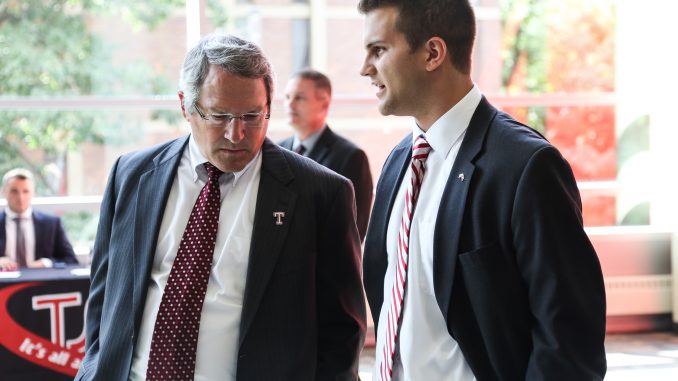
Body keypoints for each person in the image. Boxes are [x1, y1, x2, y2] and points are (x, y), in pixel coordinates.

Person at [76, 34, 365, 381]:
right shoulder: (132, 175)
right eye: (220, 115)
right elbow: (104, 296)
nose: (236, 133)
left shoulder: (320, 192)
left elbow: (342, 334)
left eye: (252, 116)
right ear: (185, 105)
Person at [358, 1, 607, 380]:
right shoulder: (398, 163)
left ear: (432, 53)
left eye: (379, 50)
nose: (365, 69)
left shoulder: (526, 166)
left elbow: (570, 342)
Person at [279, 69, 373, 241]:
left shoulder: (351, 157)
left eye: (299, 98)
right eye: (287, 97)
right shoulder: (276, 152)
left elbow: (355, 229)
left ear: (324, 103)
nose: (290, 105)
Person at [0, 168, 78, 271]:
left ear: (33, 193)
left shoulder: (52, 224)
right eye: (14, 191)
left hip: (42, 285)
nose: (20, 197)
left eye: (26, 191)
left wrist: (47, 263)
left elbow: (71, 260)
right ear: (3, 192)